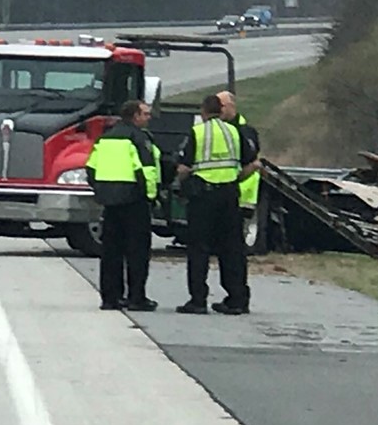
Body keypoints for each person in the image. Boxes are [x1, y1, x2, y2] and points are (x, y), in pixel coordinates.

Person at [173, 94, 259, 315]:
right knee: (232, 248)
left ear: (203, 112)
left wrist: (182, 184)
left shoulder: (197, 132)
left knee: (198, 248)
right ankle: (237, 300)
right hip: (229, 196)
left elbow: (183, 167)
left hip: (203, 196)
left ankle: (198, 300)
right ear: (221, 111)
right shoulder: (234, 132)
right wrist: (235, 178)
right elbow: (253, 164)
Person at [85, 99, 158, 312]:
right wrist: (151, 196)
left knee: (111, 252)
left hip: (110, 203)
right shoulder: (139, 138)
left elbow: (91, 169)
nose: (148, 117)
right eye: (145, 114)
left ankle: (110, 298)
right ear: (135, 116)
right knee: (137, 252)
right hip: (135, 202)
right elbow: (147, 171)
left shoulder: (105, 139)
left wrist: (101, 191)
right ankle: (136, 298)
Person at [217, 90, 262, 312]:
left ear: (231, 106)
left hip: (240, 197)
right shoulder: (220, 130)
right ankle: (232, 296)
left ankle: (238, 297)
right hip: (225, 196)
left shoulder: (244, 131)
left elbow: (250, 162)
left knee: (233, 251)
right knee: (225, 251)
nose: (219, 110)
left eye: (221, 105)